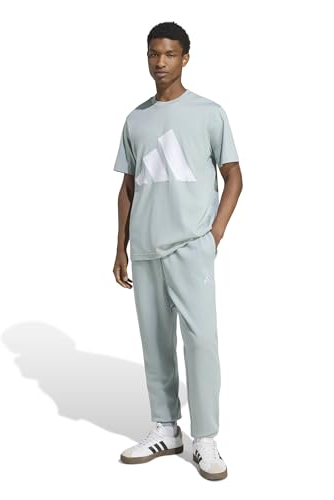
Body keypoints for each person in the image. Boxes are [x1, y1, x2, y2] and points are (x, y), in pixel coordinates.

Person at [112, 21, 243, 481]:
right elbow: (128, 187)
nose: (160, 62)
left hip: (191, 246)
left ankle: (205, 437)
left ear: (185, 58)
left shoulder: (209, 113)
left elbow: (234, 175)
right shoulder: (136, 119)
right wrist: (120, 247)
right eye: (153, 54)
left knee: (201, 340)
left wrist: (215, 234)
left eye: (169, 54)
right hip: (146, 249)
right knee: (154, 340)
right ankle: (165, 428)